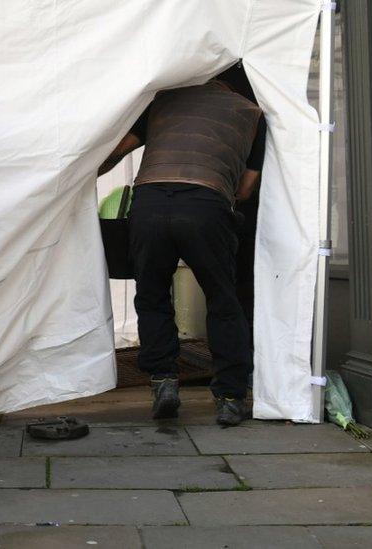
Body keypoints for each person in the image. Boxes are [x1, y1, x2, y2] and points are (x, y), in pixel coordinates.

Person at [98, 64, 266, 426]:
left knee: (152, 295)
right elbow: (245, 190)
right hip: (206, 205)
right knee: (223, 299)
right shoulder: (252, 114)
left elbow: (116, 150)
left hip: (150, 203)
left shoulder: (164, 100)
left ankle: (163, 384)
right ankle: (231, 398)